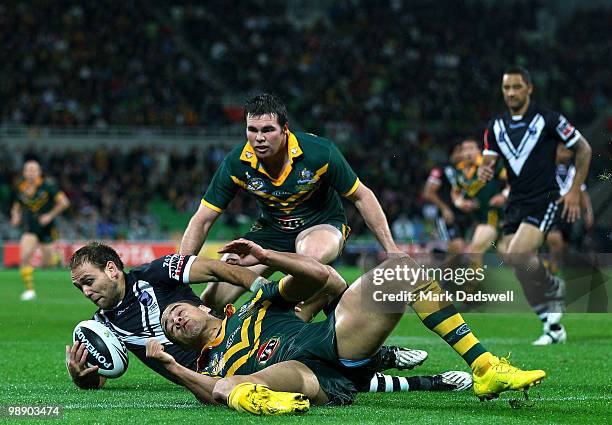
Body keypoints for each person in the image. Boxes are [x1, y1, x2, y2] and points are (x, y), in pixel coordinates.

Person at [147, 239, 545, 415]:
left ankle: (485, 368)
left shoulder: (255, 304)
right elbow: (207, 392)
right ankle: (265, 402)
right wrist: (174, 368)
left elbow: (319, 275)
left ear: (199, 304)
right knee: (234, 386)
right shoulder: (207, 365)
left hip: (335, 342)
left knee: (403, 270)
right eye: (169, 325)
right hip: (305, 375)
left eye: (177, 310)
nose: (175, 319)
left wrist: (268, 256)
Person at [65, 242, 460, 392]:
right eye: (79, 288)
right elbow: (99, 376)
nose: (86, 293)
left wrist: (261, 292)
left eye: (88, 281)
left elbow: (218, 270)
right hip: (214, 365)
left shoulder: (155, 273)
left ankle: (365, 349)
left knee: (327, 285)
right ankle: (382, 367)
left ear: (113, 269)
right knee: (298, 372)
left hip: (223, 330)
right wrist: (80, 376)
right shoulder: (99, 327)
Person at [180, 93, 401, 312]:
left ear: (285, 129)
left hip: (321, 225)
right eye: (252, 130)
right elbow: (202, 220)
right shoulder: (236, 163)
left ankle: (300, 300)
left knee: (309, 258)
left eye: (268, 130)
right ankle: (324, 291)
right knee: (210, 300)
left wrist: (391, 250)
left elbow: (362, 196)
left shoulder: (319, 152)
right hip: (270, 231)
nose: (259, 138)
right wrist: (178, 272)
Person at [478, 65, 592, 345]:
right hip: (515, 201)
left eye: (517, 87)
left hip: (544, 198)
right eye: (506, 88)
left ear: (529, 88)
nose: (511, 93)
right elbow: (489, 160)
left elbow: (584, 149)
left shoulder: (549, 120)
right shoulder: (495, 126)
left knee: (518, 253)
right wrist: (484, 170)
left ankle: (553, 285)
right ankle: (552, 328)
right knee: (514, 262)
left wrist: (575, 191)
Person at [10, 159, 70, 301]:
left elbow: (64, 202)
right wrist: (15, 216)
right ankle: (30, 290)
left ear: (39, 172)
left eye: (33, 170)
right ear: (24, 172)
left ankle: (56, 258)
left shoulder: (48, 186)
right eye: (28, 170)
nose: (31, 172)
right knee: (24, 257)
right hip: (30, 228)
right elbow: (16, 206)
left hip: (47, 229)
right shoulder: (21, 188)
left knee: (47, 264)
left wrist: (49, 215)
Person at [453, 138, 509, 262]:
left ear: (479, 150)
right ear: (461, 153)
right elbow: (455, 192)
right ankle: (541, 273)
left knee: (475, 250)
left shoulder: (490, 164)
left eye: (472, 148)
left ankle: (473, 281)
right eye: (465, 149)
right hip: (476, 218)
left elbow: (511, 180)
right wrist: (460, 202)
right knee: (507, 255)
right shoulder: (459, 171)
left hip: (492, 215)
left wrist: (504, 195)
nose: (468, 153)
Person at [423, 144, 471, 255]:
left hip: (464, 216)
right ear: (453, 152)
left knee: (458, 255)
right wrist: (444, 209)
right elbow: (428, 192)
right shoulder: (441, 169)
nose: (463, 155)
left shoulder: (467, 171)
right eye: (460, 151)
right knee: (457, 249)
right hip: (448, 216)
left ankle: (442, 271)